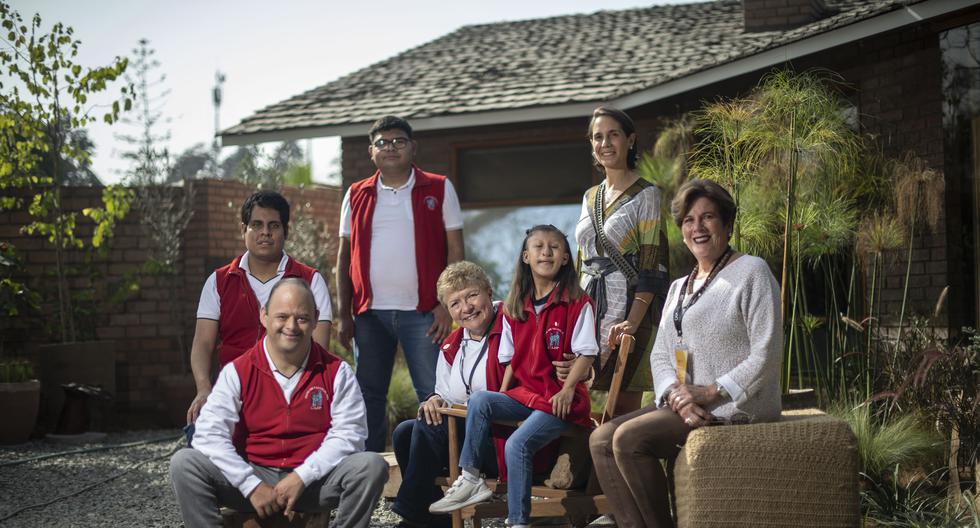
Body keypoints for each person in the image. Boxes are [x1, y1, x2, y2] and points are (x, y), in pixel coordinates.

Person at [589, 179, 782, 528]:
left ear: (727, 224)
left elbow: (766, 354)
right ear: (681, 232)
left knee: (629, 440)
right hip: (685, 403)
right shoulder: (680, 286)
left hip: (732, 405)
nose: (698, 227)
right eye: (689, 221)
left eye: (708, 217)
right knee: (600, 439)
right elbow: (660, 354)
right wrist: (677, 396)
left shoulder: (752, 272)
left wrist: (710, 391)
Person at [170, 278, 387, 528]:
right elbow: (208, 435)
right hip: (252, 476)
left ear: (316, 319)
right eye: (282, 316)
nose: (291, 326)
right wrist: (250, 485)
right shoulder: (238, 371)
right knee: (184, 463)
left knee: (371, 466)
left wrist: (302, 477)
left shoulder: (337, 372)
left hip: (313, 483)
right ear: (265, 316)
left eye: (302, 318)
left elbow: (350, 435)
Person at [429, 225, 598, 528]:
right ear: (525, 256)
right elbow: (508, 363)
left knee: (516, 445)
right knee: (481, 399)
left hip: (561, 400)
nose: (546, 252)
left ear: (564, 259)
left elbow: (587, 353)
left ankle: (517, 521)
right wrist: (500, 399)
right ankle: (471, 478)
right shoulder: (514, 307)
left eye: (555, 247)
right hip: (528, 395)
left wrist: (569, 387)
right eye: (538, 246)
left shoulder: (577, 303)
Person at [336, 115, 465, 452]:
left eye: (398, 141)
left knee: (433, 393)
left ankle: (438, 466)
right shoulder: (356, 194)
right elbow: (343, 257)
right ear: (370, 151)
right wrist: (343, 314)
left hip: (423, 313)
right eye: (382, 142)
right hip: (369, 315)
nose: (390, 147)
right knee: (369, 396)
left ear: (413, 147)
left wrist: (446, 305)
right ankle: (372, 470)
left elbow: (456, 251)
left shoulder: (438, 187)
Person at [187, 190, 333, 424]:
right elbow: (202, 344)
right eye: (257, 224)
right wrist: (204, 389)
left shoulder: (311, 281)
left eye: (274, 225)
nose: (265, 232)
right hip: (233, 394)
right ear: (243, 229)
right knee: (198, 452)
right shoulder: (219, 281)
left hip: (292, 396)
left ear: (286, 231)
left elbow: (319, 348)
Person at [391, 261, 504, 528]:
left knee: (431, 427)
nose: (466, 308)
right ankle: (432, 518)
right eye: (455, 303)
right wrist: (434, 400)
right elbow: (443, 394)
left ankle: (412, 514)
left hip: (500, 438)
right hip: (464, 440)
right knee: (404, 433)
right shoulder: (452, 346)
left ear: (489, 291)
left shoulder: (511, 326)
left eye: (472, 295)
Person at [572, 106, 670, 414]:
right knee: (581, 405)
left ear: (630, 140)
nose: (605, 143)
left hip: (629, 307)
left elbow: (653, 264)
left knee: (623, 410)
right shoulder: (589, 197)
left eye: (613, 135)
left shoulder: (647, 195)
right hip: (587, 309)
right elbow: (580, 261)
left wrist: (633, 322)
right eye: (598, 137)